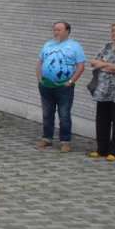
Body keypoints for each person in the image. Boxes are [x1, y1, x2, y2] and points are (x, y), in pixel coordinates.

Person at [36, 21, 86, 153]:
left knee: (64, 115)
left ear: (67, 31)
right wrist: (40, 79)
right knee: (47, 113)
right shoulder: (47, 45)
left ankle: (65, 141)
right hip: (46, 86)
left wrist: (71, 81)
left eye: (58, 30)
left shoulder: (75, 46)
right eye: (54, 30)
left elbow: (81, 66)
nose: (55, 32)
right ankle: (47, 138)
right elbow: (40, 62)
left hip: (64, 87)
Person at [87, 21, 115, 161]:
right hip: (103, 90)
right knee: (101, 121)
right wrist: (109, 66)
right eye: (112, 30)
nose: (113, 33)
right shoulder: (106, 46)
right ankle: (102, 149)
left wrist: (104, 64)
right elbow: (93, 62)